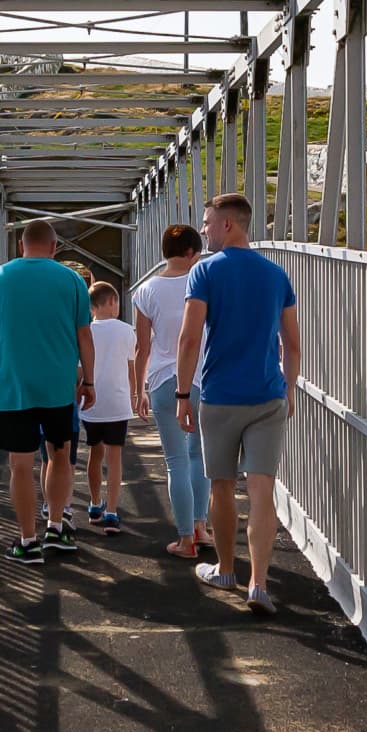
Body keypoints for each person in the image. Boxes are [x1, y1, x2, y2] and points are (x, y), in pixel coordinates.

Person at [174, 192, 300, 615]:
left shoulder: (204, 271)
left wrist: (181, 394)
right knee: (262, 490)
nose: (204, 230)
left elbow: (190, 338)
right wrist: (289, 389)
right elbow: (293, 345)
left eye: (208, 222)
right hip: (267, 396)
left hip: (221, 396)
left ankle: (226, 569)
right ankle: (259, 584)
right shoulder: (277, 274)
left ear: (228, 224)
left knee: (222, 485)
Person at [0, 220, 95, 565]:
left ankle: (28, 540)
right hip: (58, 386)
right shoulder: (71, 280)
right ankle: (56, 527)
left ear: (20, 246)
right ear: (55, 247)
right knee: (59, 455)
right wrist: (89, 381)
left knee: (20, 465)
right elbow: (85, 336)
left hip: (15, 386)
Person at [130, 224, 211, 561]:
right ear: (192, 252)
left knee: (175, 461)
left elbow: (141, 349)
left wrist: (138, 391)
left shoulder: (146, 290)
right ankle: (200, 526)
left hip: (164, 381)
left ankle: (185, 541)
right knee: (199, 457)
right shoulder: (207, 282)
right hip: (205, 379)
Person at [80, 282, 135, 532]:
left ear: (92, 307)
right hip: (118, 401)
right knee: (115, 457)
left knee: (95, 453)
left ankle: (94, 503)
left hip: (91, 402)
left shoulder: (85, 331)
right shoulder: (126, 330)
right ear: (112, 301)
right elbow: (131, 368)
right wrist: (136, 394)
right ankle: (112, 511)